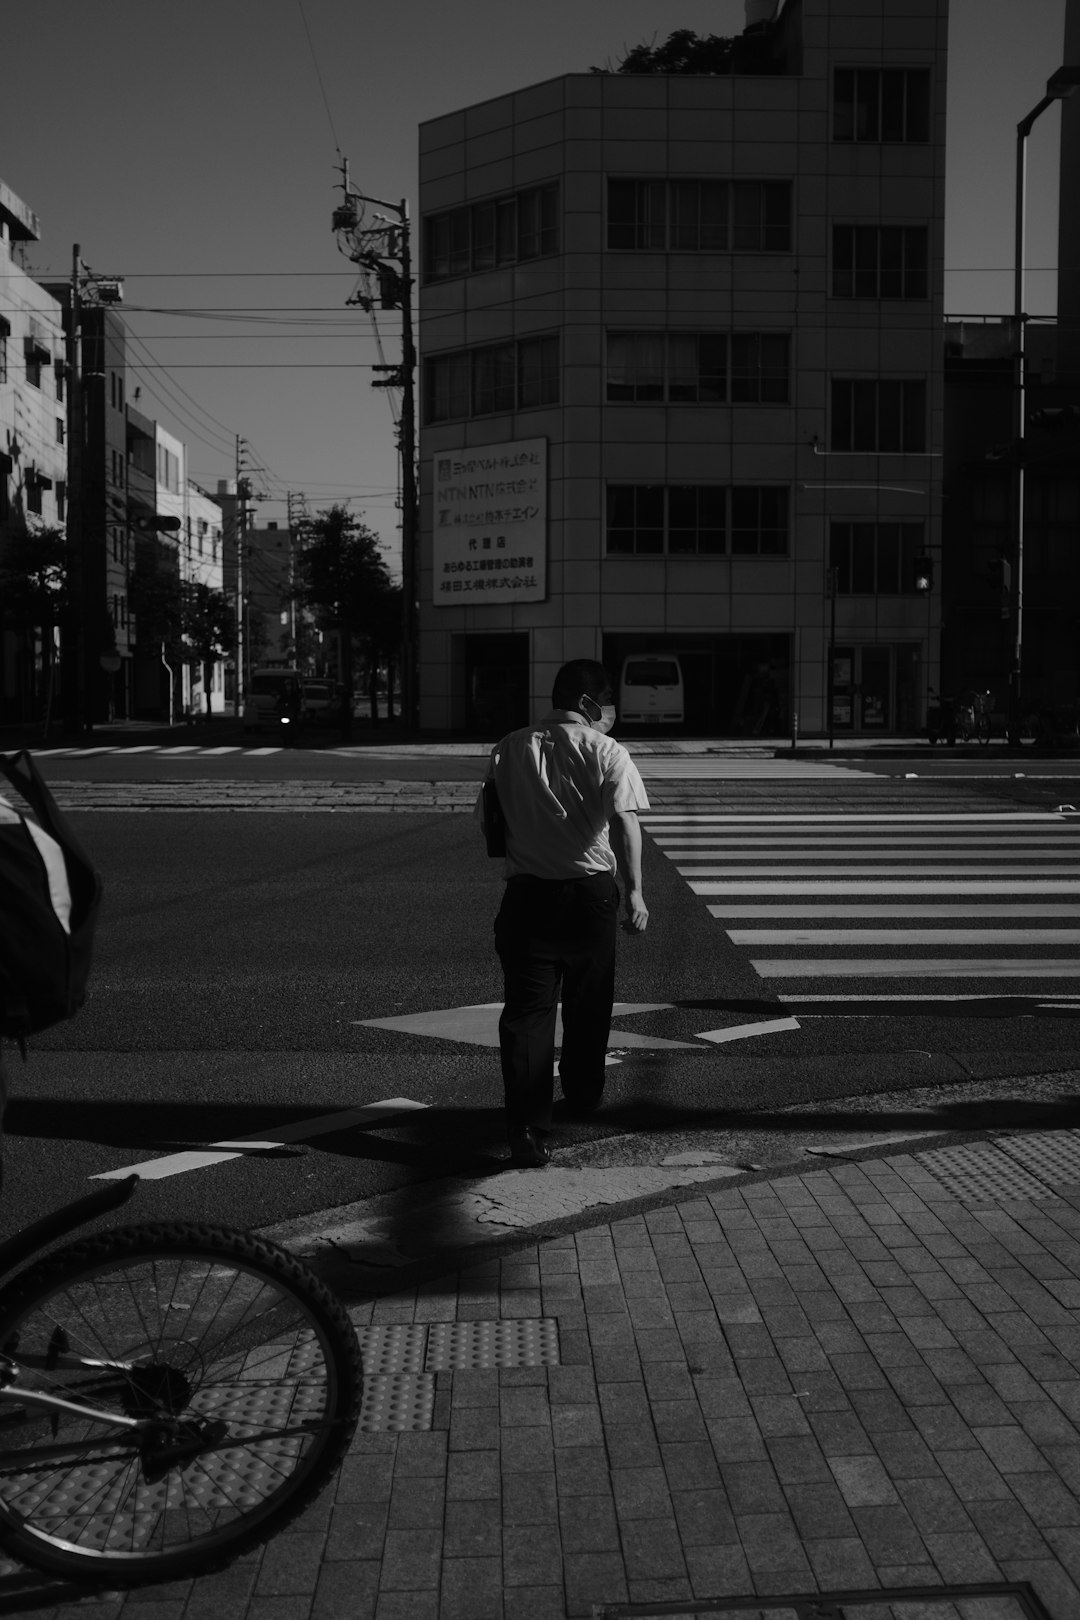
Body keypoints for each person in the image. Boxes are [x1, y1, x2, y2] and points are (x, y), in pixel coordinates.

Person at [477, 659, 650, 1167]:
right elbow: (625, 824)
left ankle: (526, 1130)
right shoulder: (606, 749)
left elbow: (491, 823)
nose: (611, 714)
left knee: (527, 1013)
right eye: (608, 703)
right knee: (588, 1000)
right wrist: (635, 892)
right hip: (590, 894)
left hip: (527, 894)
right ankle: (582, 1094)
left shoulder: (509, 746)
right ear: (590, 705)